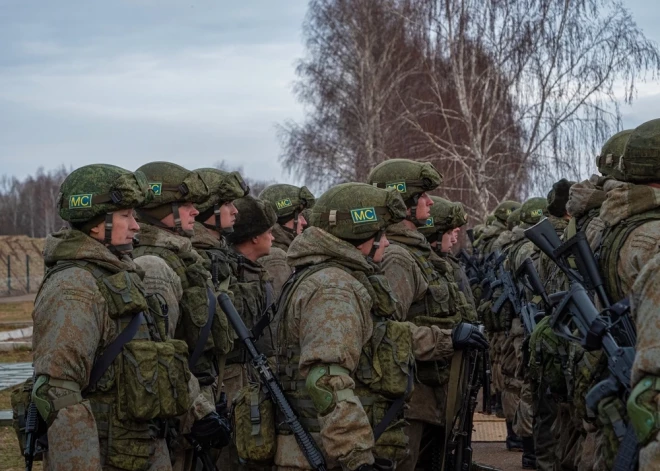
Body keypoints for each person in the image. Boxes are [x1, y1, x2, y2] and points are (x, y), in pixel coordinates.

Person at [274, 182, 487, 470]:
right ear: (359, 234)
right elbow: (326, 380)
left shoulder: (340, 279)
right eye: (380, 234)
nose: (386, 243)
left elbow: (382, 336)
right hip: (325, 454)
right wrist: (357, 456)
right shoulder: (333, 288)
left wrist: (448, 339)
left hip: (330, 448)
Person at [30, 164, 194, 470]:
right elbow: (60, 393)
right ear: (96, 224)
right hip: (106, 456)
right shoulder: (74, 286)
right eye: (126, 216)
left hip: (140, 449)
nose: (135, 226)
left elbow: (158, 357)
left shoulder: (119, 277)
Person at [366, 159, 486, 470]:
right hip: (408, 401)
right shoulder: (399, 258)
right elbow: (384, 333)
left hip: (428, 396)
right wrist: (449, 339)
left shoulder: (417, 254)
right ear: (404, 202)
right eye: (422, 196)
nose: (430, 202)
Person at [131, 162, 232, 470]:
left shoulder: (182, 257)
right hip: (179, 411)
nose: (195, 212)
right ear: (162, 208)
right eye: (186, 205)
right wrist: (198, 411)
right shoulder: (153, 266)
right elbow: (157, 356)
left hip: (193, 399)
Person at [258, 184, 316, 297]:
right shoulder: (276, 258)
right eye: (299, 216)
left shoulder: (289, 251)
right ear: (283, 220)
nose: (304, 222)